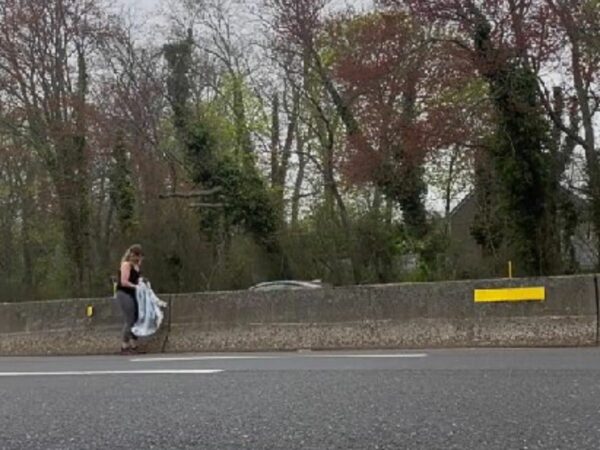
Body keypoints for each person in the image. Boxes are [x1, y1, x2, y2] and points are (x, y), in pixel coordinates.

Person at [116, 244, 144, 354]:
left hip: (133, 294)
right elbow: (124, 281)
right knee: (129, 319)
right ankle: (124, 345)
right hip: (124, 293)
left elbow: (137, 278)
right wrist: (135, 286)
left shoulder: (136, 266)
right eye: (136, 255)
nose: (137, 258)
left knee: (136, 318)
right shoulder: (126, 265)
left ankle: (134, 345)